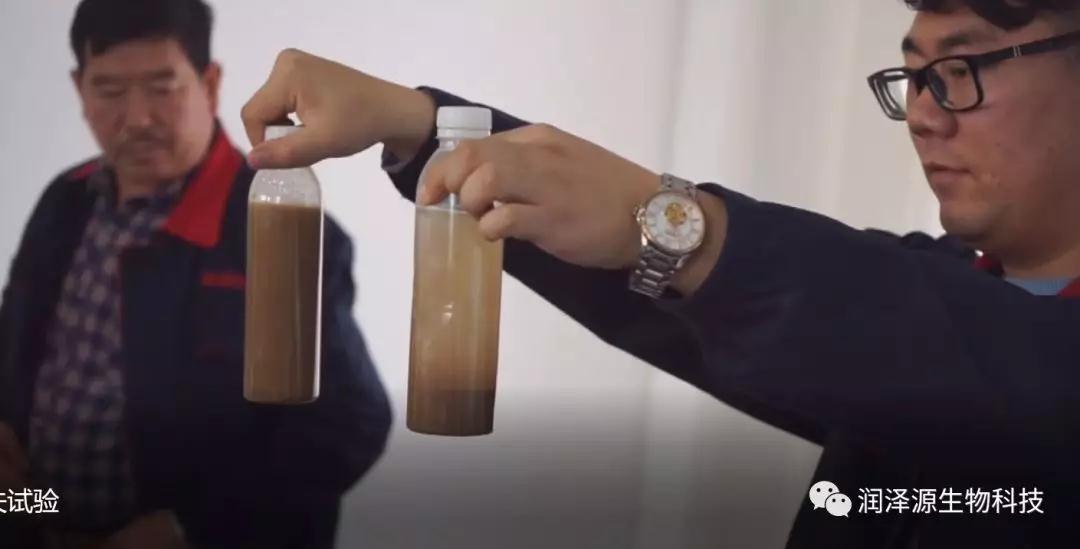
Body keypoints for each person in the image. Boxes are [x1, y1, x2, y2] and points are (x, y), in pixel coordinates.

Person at [239, 0, 1080, 547]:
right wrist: (421, 126)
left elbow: (967, 351)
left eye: (961, 70)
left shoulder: (974, 334)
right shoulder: (943, 290)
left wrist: (673, 223)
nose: (924, 114)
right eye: (916, 77)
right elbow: (728, 308)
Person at [0, 0, 392, 547]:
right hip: (39, 512)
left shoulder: (280, 226)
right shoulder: (65, 201)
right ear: (79, 90)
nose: (137, 119)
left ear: (210, 84)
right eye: (109, 90)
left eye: (162, 88)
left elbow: (350, 424)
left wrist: (187, 527)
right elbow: (14, 343)